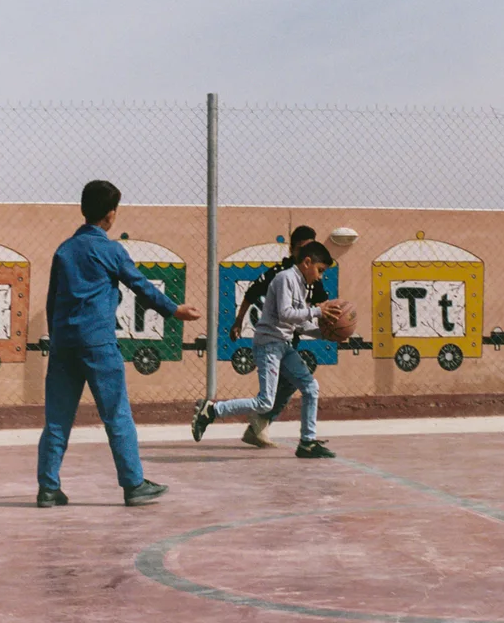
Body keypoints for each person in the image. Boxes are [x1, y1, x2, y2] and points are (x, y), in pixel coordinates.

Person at [37, 180, 200, 508]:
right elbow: (140, 285)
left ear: (83, 209)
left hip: (64, 346)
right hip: (98, 344)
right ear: (111, 216)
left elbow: (52, 301)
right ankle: (133, 484)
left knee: (57, 419)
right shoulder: (111, 250)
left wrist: (58, 342)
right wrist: (174, 310)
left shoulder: (64, 250)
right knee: (116, 415)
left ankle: (48, 488)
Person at [193, 241, 338, 458]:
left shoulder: (300, 285)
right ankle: (212, 410)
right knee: (265, 401)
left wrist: (325, 334)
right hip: (269, 345)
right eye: (320, 270)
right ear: (307, 262)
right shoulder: (285, 278)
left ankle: (307, 442)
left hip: (284, 345)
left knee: (311, 387)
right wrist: (317, 311)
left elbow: (297, 324)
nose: (320, 277)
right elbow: (285, 313)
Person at [229, 225, 328, 448]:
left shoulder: (313, 278)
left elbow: (323, 304)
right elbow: (252, 292)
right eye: (302, 248)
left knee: (294, 383)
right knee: (278, 390)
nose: (306, 253)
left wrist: (331, 327)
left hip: (289, 339)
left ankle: (262, 424)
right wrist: (238, 321)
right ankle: (254, 420)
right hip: (272, 337)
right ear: (292, 249)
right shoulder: (281, 274)